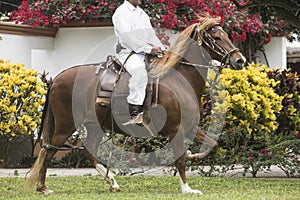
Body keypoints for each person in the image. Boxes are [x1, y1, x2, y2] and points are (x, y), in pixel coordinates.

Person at [112, 0, 165, 125]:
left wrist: (161, 49)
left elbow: (150, 35)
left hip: (144, 52)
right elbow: (127, 37)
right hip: (127, 53)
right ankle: (135, 113)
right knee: (140, 72)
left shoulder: (141, 13)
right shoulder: (121, 12)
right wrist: (149, 49)